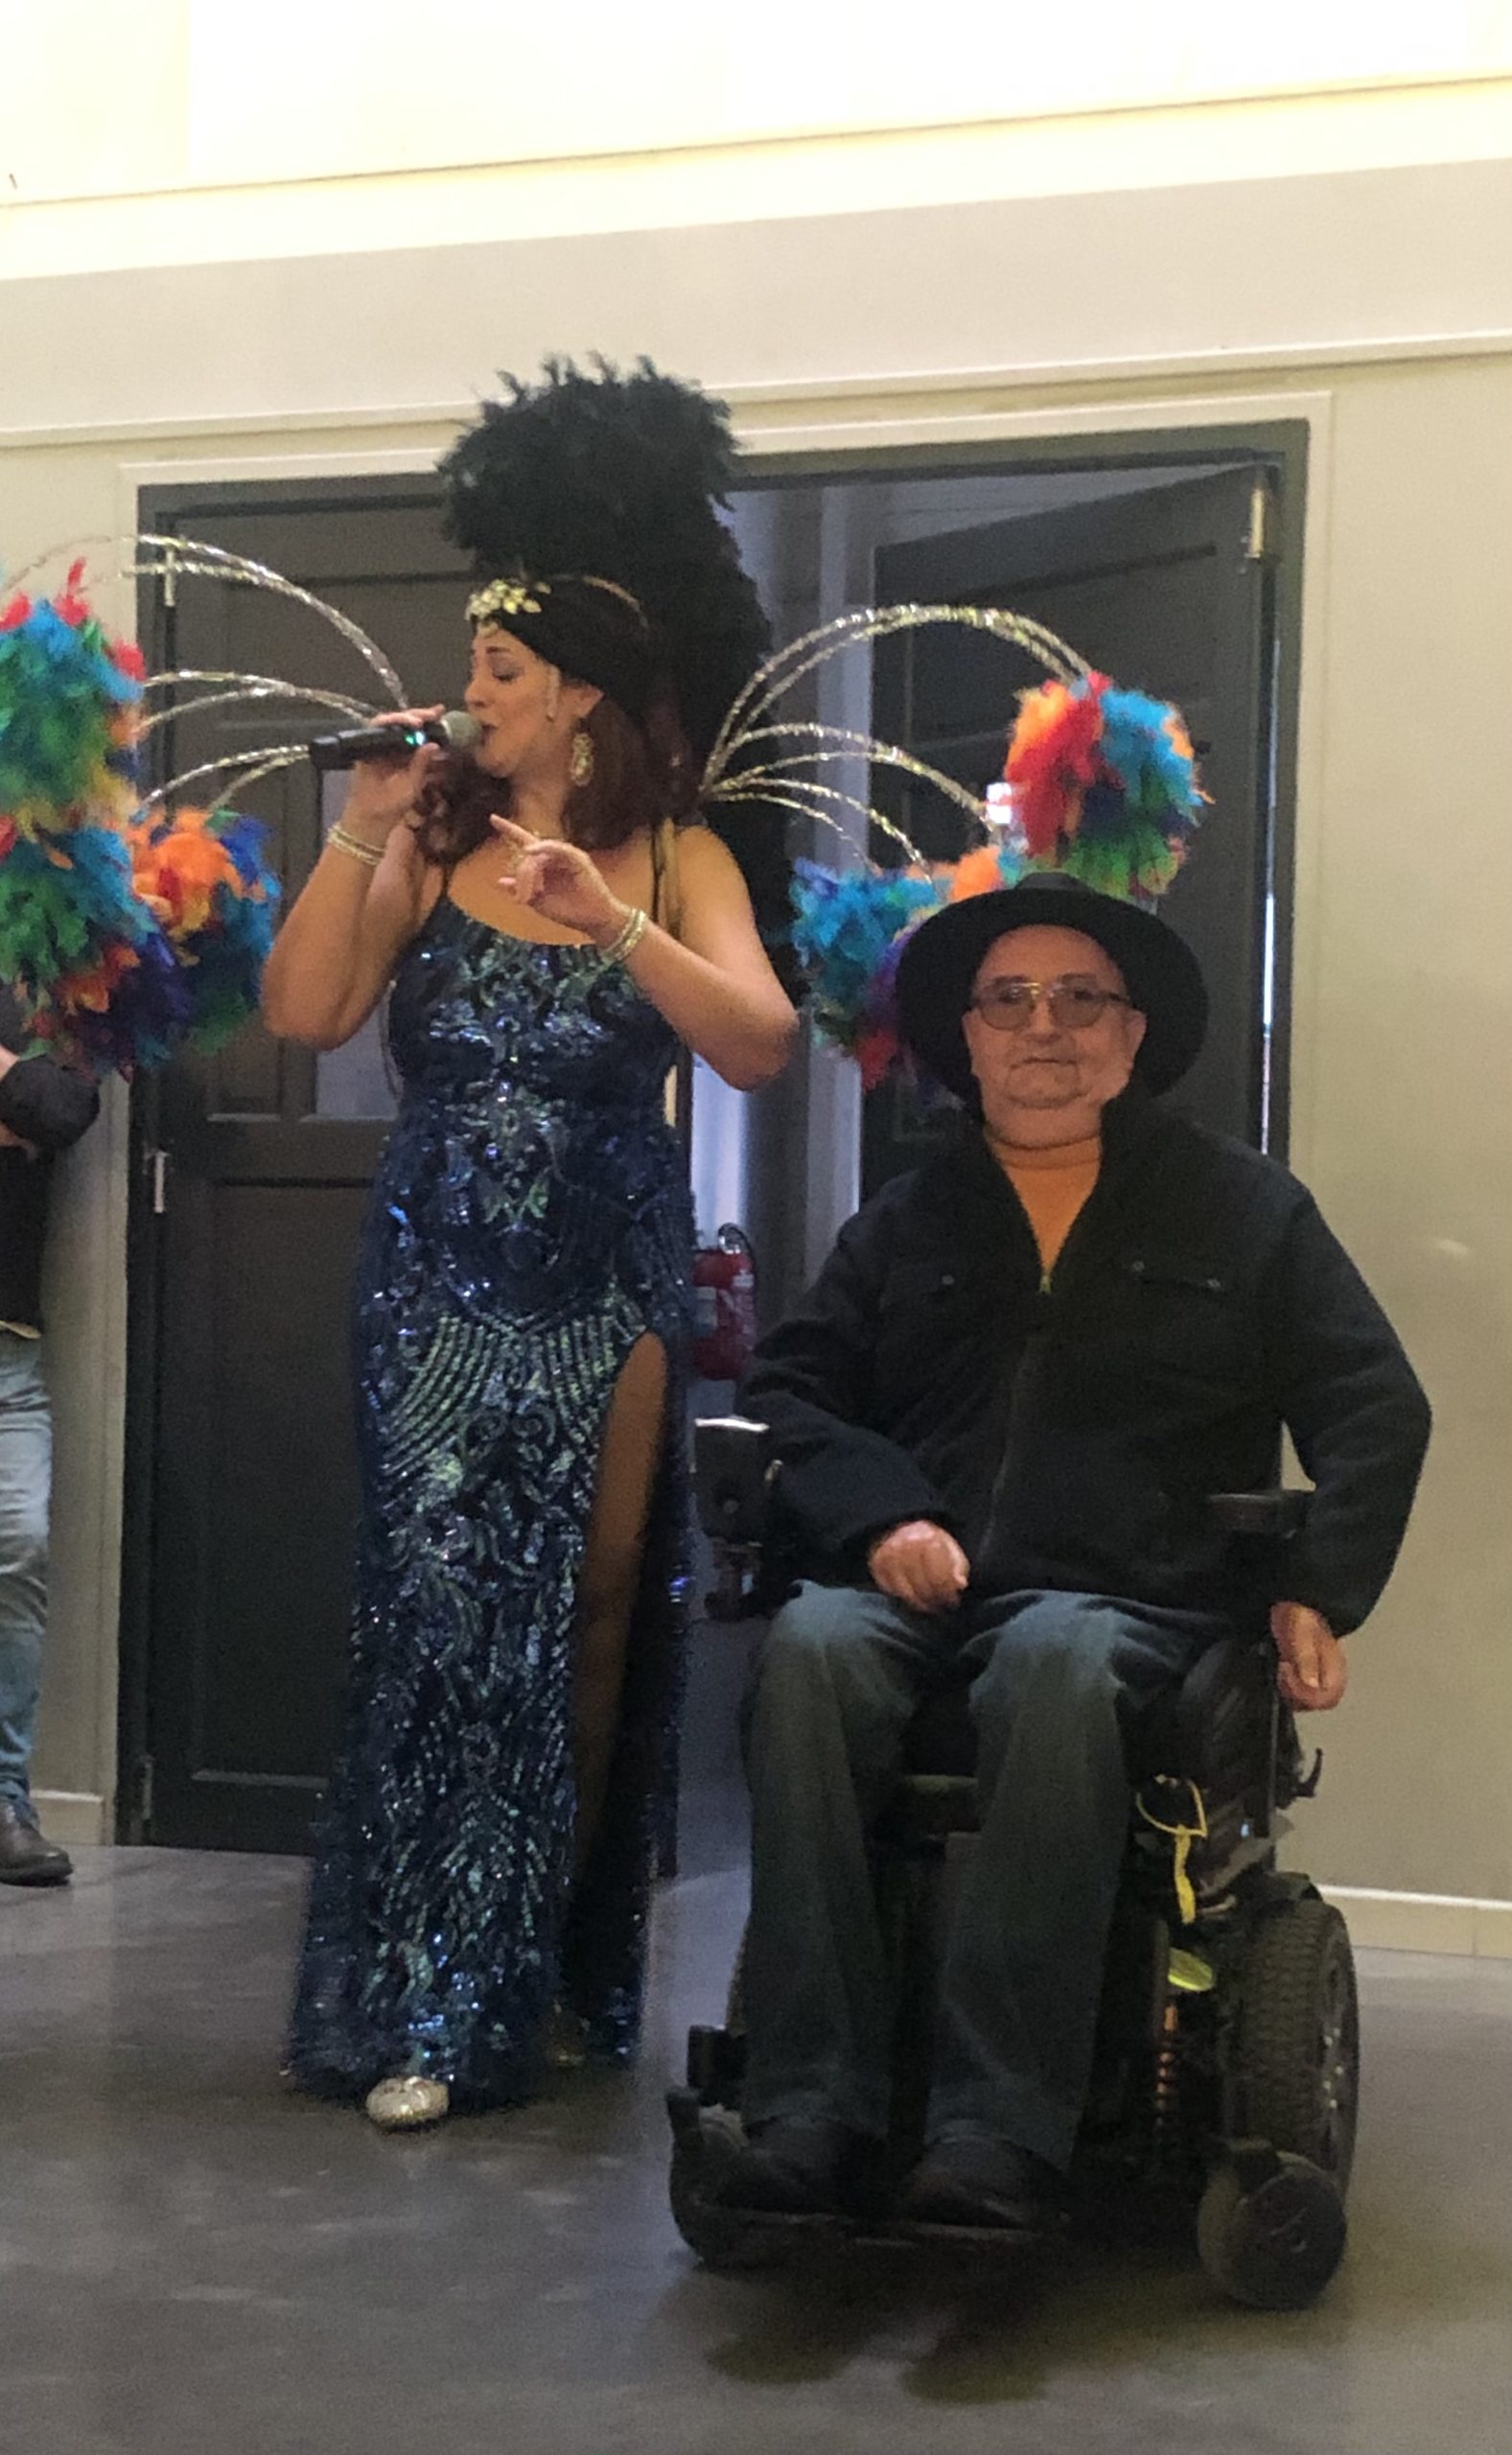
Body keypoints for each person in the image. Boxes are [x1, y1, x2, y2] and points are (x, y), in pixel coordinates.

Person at [722, 870, 1430, 2232]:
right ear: (968, 1038)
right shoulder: (907, 1217)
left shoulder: (1243, 1210)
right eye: (1008, 1000)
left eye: (1078, 998)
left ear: (1131, 1031)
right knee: (809, 1646)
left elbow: (1373, 1406)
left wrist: (1317, 1585)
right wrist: (883, 1519)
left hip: (1134, 1599)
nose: (1042, 1026)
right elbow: (793, 1389)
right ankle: (807, 2107)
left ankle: (999, 2130)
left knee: (1054, 1656)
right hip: (920, 1586)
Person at [264, 364, 796, 2128]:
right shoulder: (421, 846)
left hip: (609, 1274)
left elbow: (755, 1044)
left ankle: (547, 1965)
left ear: (572, 696)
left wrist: (611, 920)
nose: (469, 694)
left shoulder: (680, 855)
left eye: (497, 671)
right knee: (438, 1617)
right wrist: (358, 826)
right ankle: (426, 1996)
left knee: (587, 1613)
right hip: (433, 1274)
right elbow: (306, 1007)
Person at [0, 989, 101, 1885]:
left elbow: (63, 1109)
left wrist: (11, 1083)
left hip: (8, 1360)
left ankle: (5, 1805)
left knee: (21, 1547)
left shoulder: (32, 989)